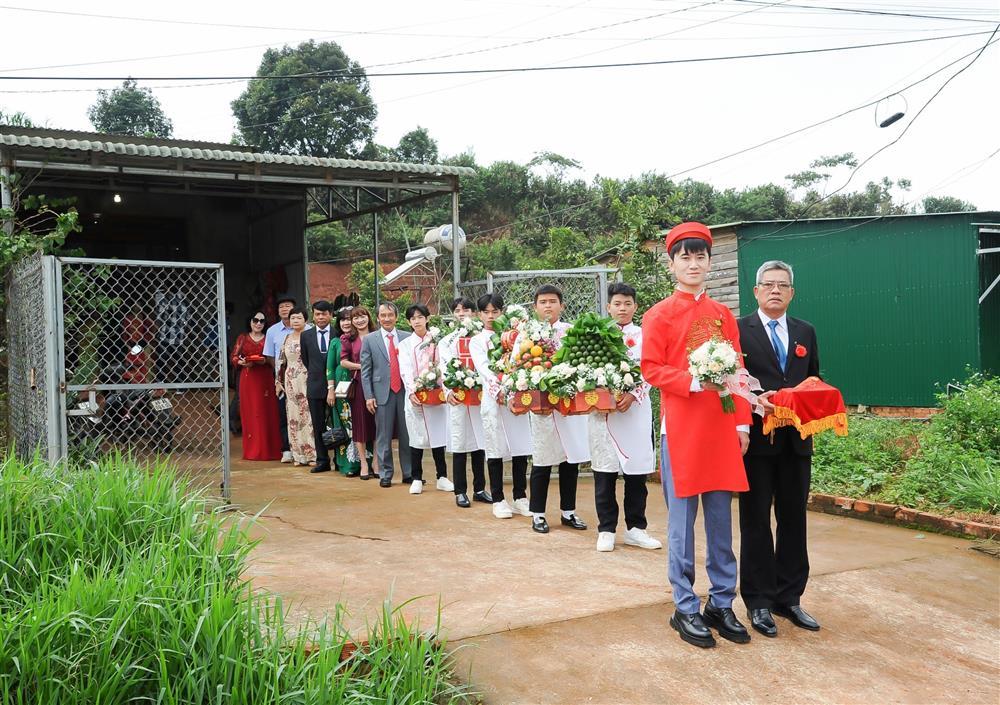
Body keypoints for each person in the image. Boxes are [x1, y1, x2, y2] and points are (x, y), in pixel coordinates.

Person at [641, 221, 752, 650]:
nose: (693, 264)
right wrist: (692, 380)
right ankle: (684, 605)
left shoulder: (723, 315)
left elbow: (738, 371)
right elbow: (651, 368)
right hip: (682, 428)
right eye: (684, 257)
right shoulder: (658, 315)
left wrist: (742, 423)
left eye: (700, 256)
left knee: (722, 521)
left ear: (709, 262)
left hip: (721, 429)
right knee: (682, 525)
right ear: (671, 264)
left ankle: (721, 603)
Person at [737, 260, 822, 636]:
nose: (775, 290)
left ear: (792, 293)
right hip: (757, 442)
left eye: (782, 285)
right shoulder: (739, 330)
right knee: (755, 520)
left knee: (793, 519)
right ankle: (758, 601)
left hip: (797, 441)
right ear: (756, 291)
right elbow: (733, 381)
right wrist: (756, 401)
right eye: (768, 284)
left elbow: (813, 379)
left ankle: (789, 598)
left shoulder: (806, 331)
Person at [589, 283, 661, 552]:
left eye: (627, 304)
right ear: (608, 307)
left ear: (635, 307)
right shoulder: (595, 335)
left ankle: (636, 528)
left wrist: (633, 395)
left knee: (636, 473)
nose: (622, 308)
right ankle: (606, 529)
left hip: (635, 411)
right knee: (604, 472)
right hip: (603, 413)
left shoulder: (645, 335)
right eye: (617, 304)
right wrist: (600, 396)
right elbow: (584, 369)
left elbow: (651, 369)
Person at [526, 284, 590, 534]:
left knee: (569, 459)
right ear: (535, 307)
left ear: (562, 306)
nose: (548, 306)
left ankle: (568, 512)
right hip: (542, 407)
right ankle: (538, 514)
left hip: (568, 405)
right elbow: (516, 367)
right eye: (543, 302)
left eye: (553, 301)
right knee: (542, 460)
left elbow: (582, 363)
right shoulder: (527, 334)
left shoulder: (572, 332)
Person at [469, 293, 532, 519]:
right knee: (494, 446)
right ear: (479, 315)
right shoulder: (477, 341)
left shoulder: (516, 336)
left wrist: (515, 390)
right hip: (493, 397)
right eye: (486, 312)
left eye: (495, 312)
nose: (490, 316)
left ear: (502, 312)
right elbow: (484, 370)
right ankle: (498, 499)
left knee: (520, 446)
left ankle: (520, 497)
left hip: (516, 395)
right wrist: (501, 392)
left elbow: (522, 362)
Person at [439, 297, 488, 507]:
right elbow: (444, 366)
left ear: (474, 313)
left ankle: (479, 489)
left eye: (466, 310)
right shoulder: (447, 341)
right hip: (458, 397)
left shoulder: (481, 336)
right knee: (459, 442)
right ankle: (460, 491)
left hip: (480, 396)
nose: (462, 313)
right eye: (457, 310)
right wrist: (448, 390)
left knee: (479, 443)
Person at [398, 303, 451, 495]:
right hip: (416, 396)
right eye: (413, 318)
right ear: (408, 322)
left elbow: (444, 366)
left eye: (420, 317)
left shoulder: (438, 341)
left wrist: (443, 388)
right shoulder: (404, 345)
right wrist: (412, 391)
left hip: (436, 395)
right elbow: (405, 370)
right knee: (416, 436)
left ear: (427, 318)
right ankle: (416, 478)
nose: (417, 321)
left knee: (438, 436)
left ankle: (442, 477)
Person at [361, 302, 413, 487]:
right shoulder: (369, 339)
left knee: (407, 434)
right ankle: (385, 474)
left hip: (405, 391)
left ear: (396, 317)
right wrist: (369, 396)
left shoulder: (407, 337)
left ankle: (409, 473)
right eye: (383, 315)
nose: (387, 318)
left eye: (390, 315)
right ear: (378, 318)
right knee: (383, 435)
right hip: (382, 393)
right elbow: (365, 371)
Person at [231, 311, 282, 461]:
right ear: (250, 321)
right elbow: (234, 356)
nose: (258, 323)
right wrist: (241, 362)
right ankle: (253, 451)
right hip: (248, 378)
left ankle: (269, 450)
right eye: (255, 320)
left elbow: (272, 358)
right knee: (251, 412)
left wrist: (264, 361)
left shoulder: (268, 338)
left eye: (262, 321)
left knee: (267, 412)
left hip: (265, 378)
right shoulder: (242, 338)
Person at [341, 305, 379, 479]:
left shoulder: (377, 335)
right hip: (359, 385)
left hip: (378, 383)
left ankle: (376, 461)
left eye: (362, 316)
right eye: (355, 317)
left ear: (368, 317)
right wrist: (362, 366)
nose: (360, 320)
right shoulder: (348, 339)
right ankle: (363, 462)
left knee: (378, 423)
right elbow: (344, 362)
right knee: (360, 423)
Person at [298, 300, 335, 474]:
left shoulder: (338, 333)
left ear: (331, 315)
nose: (320, 317)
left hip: (336, 386)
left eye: (324, 314)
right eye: (317, 314)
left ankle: (341, 459)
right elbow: (306, 360)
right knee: (318, 424)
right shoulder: (306, 336)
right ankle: (322, 460)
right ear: (313, 315)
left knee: (339, 423)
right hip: (315, 385)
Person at [276, 308, 316, 467]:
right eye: (292, 318)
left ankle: (312, 454)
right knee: (293, 416)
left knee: (308, 415)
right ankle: (298, 455)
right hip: (290, 380)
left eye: (299, 318)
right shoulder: (286, 337)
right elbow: (281, 361)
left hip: (306, 377)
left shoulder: (310, 336)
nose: (295, 321)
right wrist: (277, 382)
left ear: (305, 320)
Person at [326, 307, 362, 476]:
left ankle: (365, 462)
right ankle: (347, 465)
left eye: (349, 319)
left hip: (360, 384)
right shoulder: (335, 342)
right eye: (343, 319)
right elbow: (330, 368)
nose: (346, 322)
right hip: (341, 387)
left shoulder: (361, 338)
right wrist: (330, 390)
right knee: (344, 422)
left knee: (360, 421)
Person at [264, 294, 297, 464]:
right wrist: (279, 373)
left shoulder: (306, 328)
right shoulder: (272, 331)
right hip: (282, 379)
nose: (284, 309)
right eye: (281, 307)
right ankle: (286, 449)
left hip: (302, 377)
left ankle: (304, 448)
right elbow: (269, 356)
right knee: (283, 413)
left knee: (303, 413)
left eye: (288, 306)